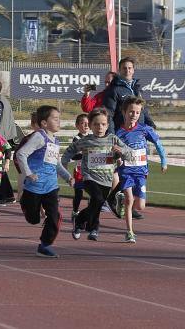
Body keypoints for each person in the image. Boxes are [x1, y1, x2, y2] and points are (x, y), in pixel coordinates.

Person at [62, 108, 130, 242]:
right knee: (98, 200)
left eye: (103, 124)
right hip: (89, 177)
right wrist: (64, 166)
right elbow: (69, 152)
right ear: (91, 125)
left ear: (108, 125)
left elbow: (129, 152)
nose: (100, 127)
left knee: (96, 204)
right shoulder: (86, 140)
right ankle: (85, 222)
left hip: (106, 180)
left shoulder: (113, 139)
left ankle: (87, 226)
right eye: (96, 124)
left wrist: (121, 150)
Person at [14, 106, 72, 258]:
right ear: (45, 123)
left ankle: (45, 245)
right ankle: (25, 205)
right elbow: (21, 154)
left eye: (59, 118)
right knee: (33, 219)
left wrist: (68, 177)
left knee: (55, 216)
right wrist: (29, 173)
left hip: (51, 186)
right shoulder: (39, 137)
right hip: (34, 186)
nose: (59, 121)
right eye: (55, 118)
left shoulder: (56, 141)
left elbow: (56, 164)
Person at [114, 97, 167, 243]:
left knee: (140, 206)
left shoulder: (144, 129)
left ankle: (121, 199)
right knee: (130, 200)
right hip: (126, 171)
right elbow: (113, 153)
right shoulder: (118, 134)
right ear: (124, 112)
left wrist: (164, 161)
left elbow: (158, 143)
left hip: (141, 172)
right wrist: (117, 157)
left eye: (137, 112)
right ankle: (129, 232)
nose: (134, 115)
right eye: (131, 112)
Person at [102, 57, 156, 133]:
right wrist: (112, 135)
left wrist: (151, 125)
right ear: (119, 70)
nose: (127, 70)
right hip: (122, 134)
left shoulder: (137, 88)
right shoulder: (113, 89)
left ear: (133, 70)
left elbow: (143, 110)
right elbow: (108, 114)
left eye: (129, 68)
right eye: (124, 68)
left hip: (139, 133)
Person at [69, 114, 90, 221]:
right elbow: (73, 156)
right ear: (77, 125)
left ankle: (91, 211)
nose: (86, 125)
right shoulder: (77, 139)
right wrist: (85, 154)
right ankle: (75, 211)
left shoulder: (93, 137)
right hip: (80, 170)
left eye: (87, 122)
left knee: (93, 191)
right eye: (83, 123)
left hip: (91, 171)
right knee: (79, 192)